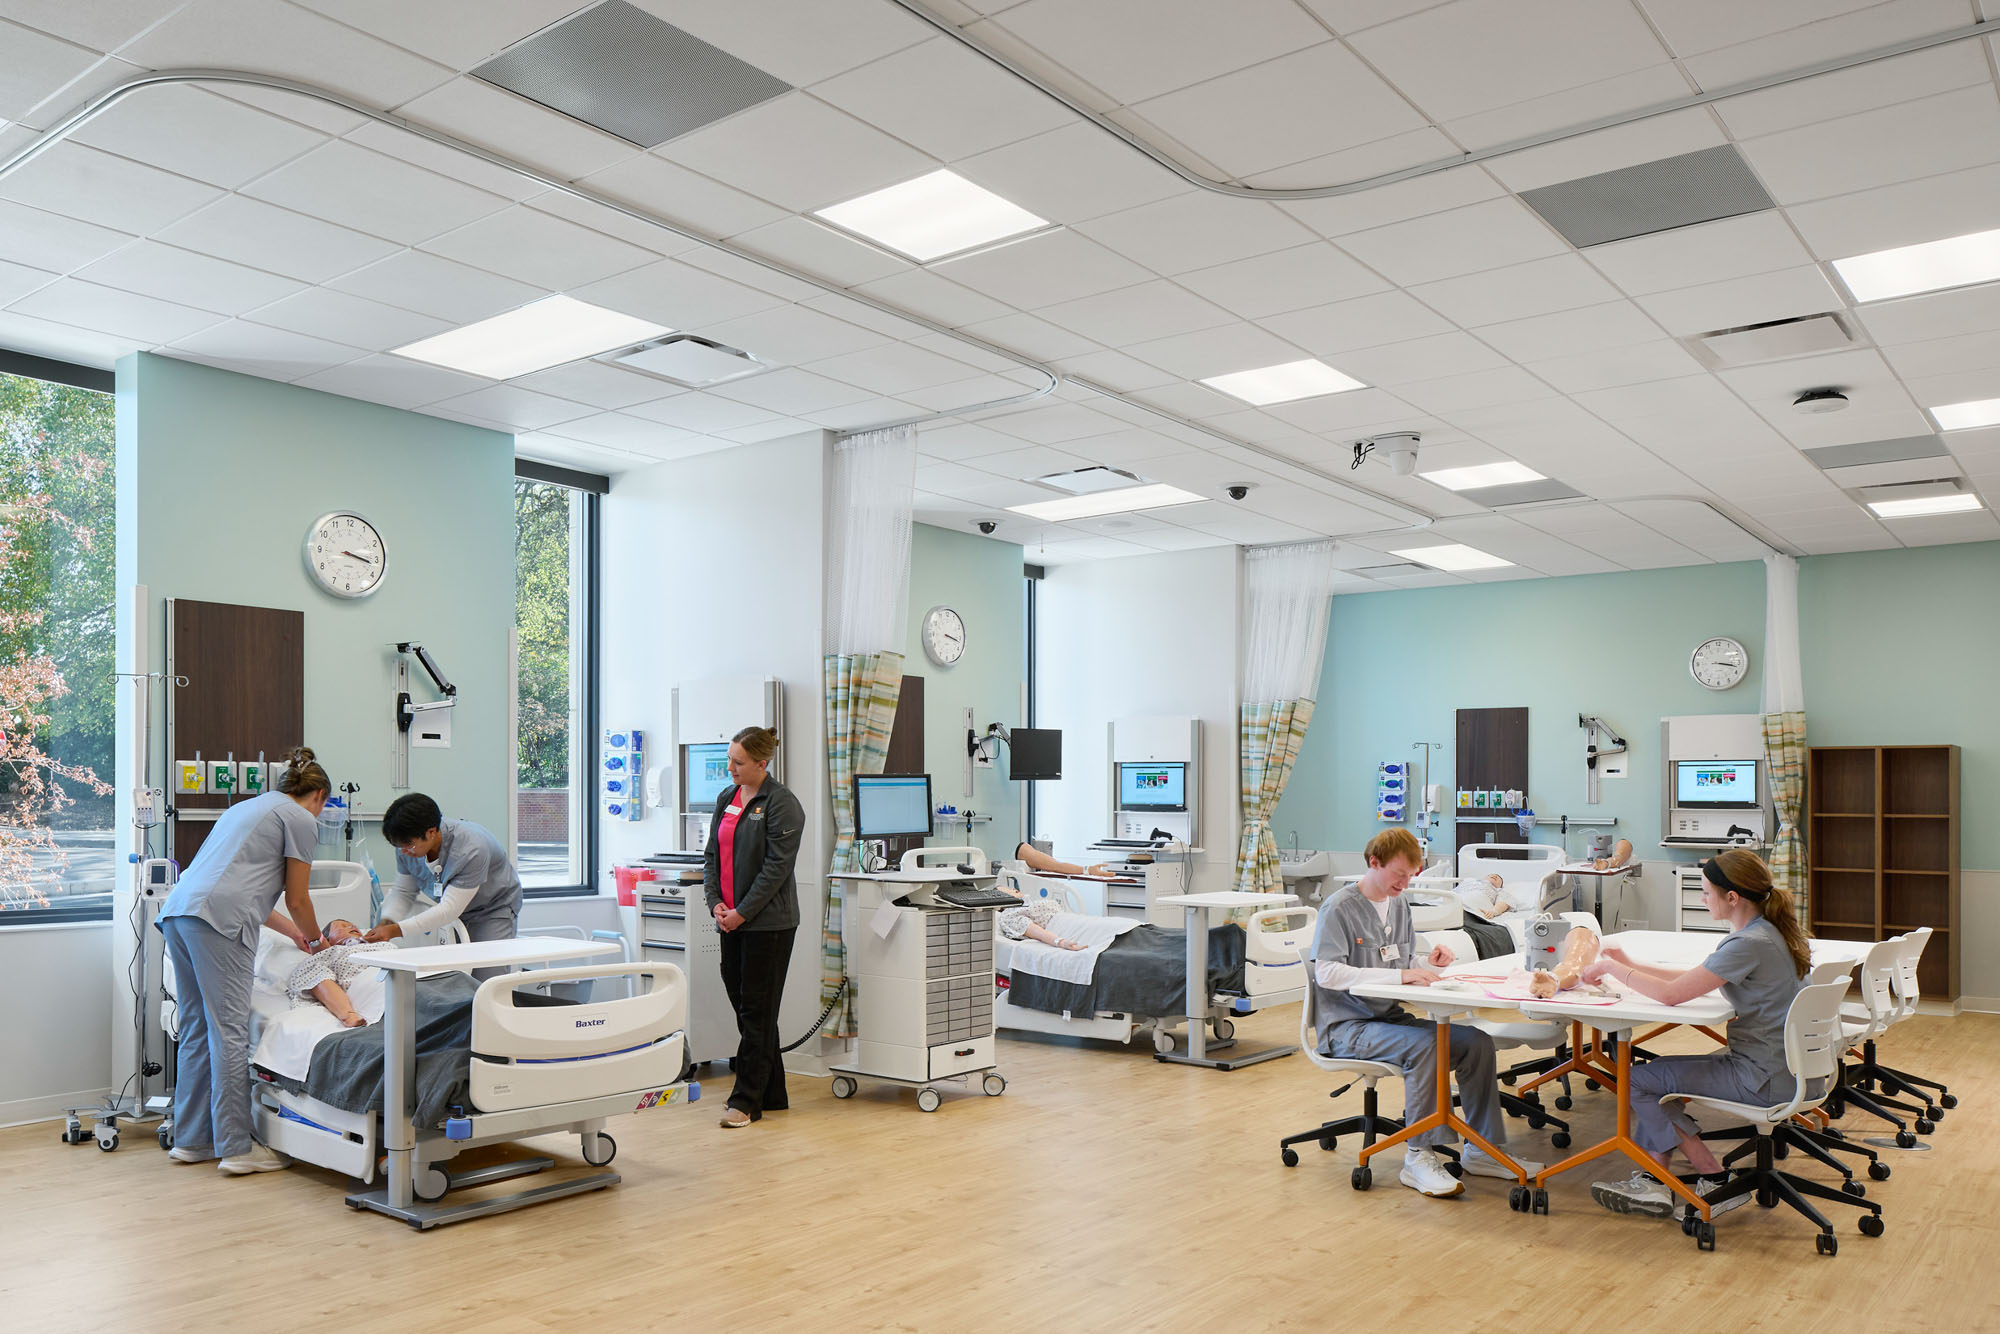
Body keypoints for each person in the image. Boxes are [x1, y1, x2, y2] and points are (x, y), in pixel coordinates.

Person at [1582, 849, 1811, 1221]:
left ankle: (1711, 1175)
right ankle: (1654, 1181)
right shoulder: (1770, 933)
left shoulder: (1747, 944)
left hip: (1764, 1077)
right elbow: (1692, 980)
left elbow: (1673, 996)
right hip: (1791, 1070)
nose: (1704, 900)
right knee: (1657, 1081)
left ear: (1732, 898)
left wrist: (1610, 968)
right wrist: (1627, 964)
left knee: (1638, 1079)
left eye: (1706, 893)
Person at [1310, 827, 1539, 1198]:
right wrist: (1402, 973)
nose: (1405, 883)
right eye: (1399, 875)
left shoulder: (1398, 903)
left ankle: (1483, 1150)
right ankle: (1418, 1157)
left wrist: (1426, 961)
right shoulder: (1338, 908)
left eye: (1411, 875)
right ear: (1374, 863)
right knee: (1426, 1046)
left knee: (1476, 1042)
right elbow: (1328, 972)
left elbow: (1398, 959)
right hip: (1347, 1027)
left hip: (1389, 1019)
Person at [157, 745, 331, 1175]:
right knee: (230, 1032)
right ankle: (237, 1148)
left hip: (181, 912)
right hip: (220, 922)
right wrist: (318, 940)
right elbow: (298, 898)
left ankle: (193, 1139)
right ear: (320, 796)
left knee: (196, 1026)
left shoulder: (247, 808)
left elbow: (247, 888)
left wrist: (294, 935)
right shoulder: (302, 820)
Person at [703, 726, 804, 1130]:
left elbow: (776, 870)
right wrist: (716, 903)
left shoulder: (782, 804)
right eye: (729, 759)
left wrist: (742, 912)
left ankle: (745, 1102)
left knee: (757, 1012)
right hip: (730, 921)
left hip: (769, 926)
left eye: (738, 762)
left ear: (762, 764)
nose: (730, 768)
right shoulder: (727, 798)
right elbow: (712, 855)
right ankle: (773, 1093)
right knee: (749, 1012)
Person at [366, 793, 523, 975]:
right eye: (398, 846)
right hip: (454, 913)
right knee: (455, 975)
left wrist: (396, 930)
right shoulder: (407, 847)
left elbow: (449, 909)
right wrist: (387, 921)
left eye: (409, 845)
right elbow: (403, 891)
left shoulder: (471, 849)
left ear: (431, 832)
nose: (404, 852)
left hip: (492, 909)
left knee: (487, 975)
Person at [283, 920, 392, 1027]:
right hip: (371, 986)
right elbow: (313, 976)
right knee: (315, 973)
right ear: (327, 939)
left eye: (353, 925)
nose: (352, 927)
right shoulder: (330, 953)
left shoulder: (381, 945)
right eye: (344, 926)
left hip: (398, 975)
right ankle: (347, 1015)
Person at [1012, 841, 1115, 878]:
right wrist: (1087, 870)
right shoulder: (1023, 851)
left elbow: (1057, 866)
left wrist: (1088, 870)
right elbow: (1057, 866)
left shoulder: (1023, 850)